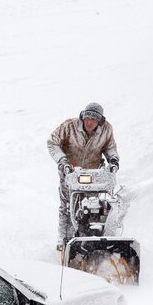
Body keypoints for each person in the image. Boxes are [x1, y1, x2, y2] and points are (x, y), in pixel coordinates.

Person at [47, 102, 120, 251]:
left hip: (94, 174)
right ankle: (64, 240)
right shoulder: (69, 126)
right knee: (68, 205)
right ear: (83, 116)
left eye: (93, 119)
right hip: (71, 172)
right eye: (87, 118)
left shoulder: (107, 129)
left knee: (97, 204)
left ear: (99, 121)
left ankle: (97, 238)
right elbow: (52, 142)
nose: (89, 122)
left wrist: (113, 160)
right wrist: (62, 161)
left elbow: (110, 147)